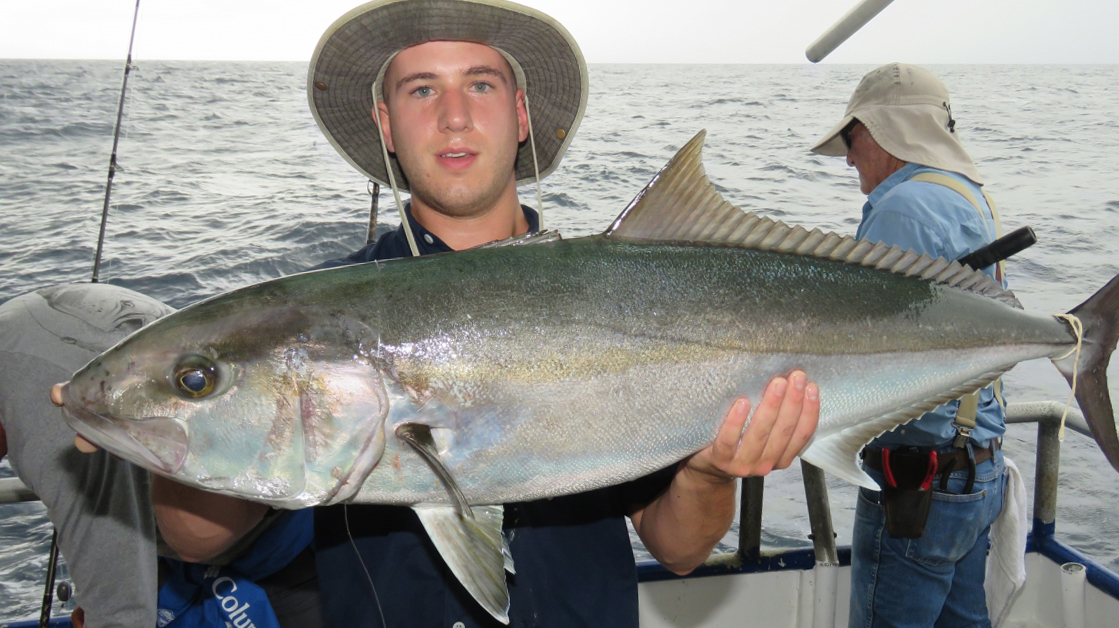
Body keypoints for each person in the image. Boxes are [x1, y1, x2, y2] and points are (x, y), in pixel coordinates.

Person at [300, 1, 820, 625]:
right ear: (387, 124)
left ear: (520, 114)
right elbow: (200, 538)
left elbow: (679, 549)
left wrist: (709, 471)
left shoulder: (615, 294)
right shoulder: (317, 326)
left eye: (481, 84)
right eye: (422, 89)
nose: (454, 116)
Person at [810, 62, 1008, 628]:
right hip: (978, 471)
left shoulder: (902, 209)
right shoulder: (967, 194)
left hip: (919, 487)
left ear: (881, 130)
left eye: (851, 137)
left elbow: (866, 352)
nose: (848, 157)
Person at [1, 284, 172, 627]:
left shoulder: (48, 425)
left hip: (271, 546)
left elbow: (124, 617)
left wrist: (104, 606)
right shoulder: (13, 326)